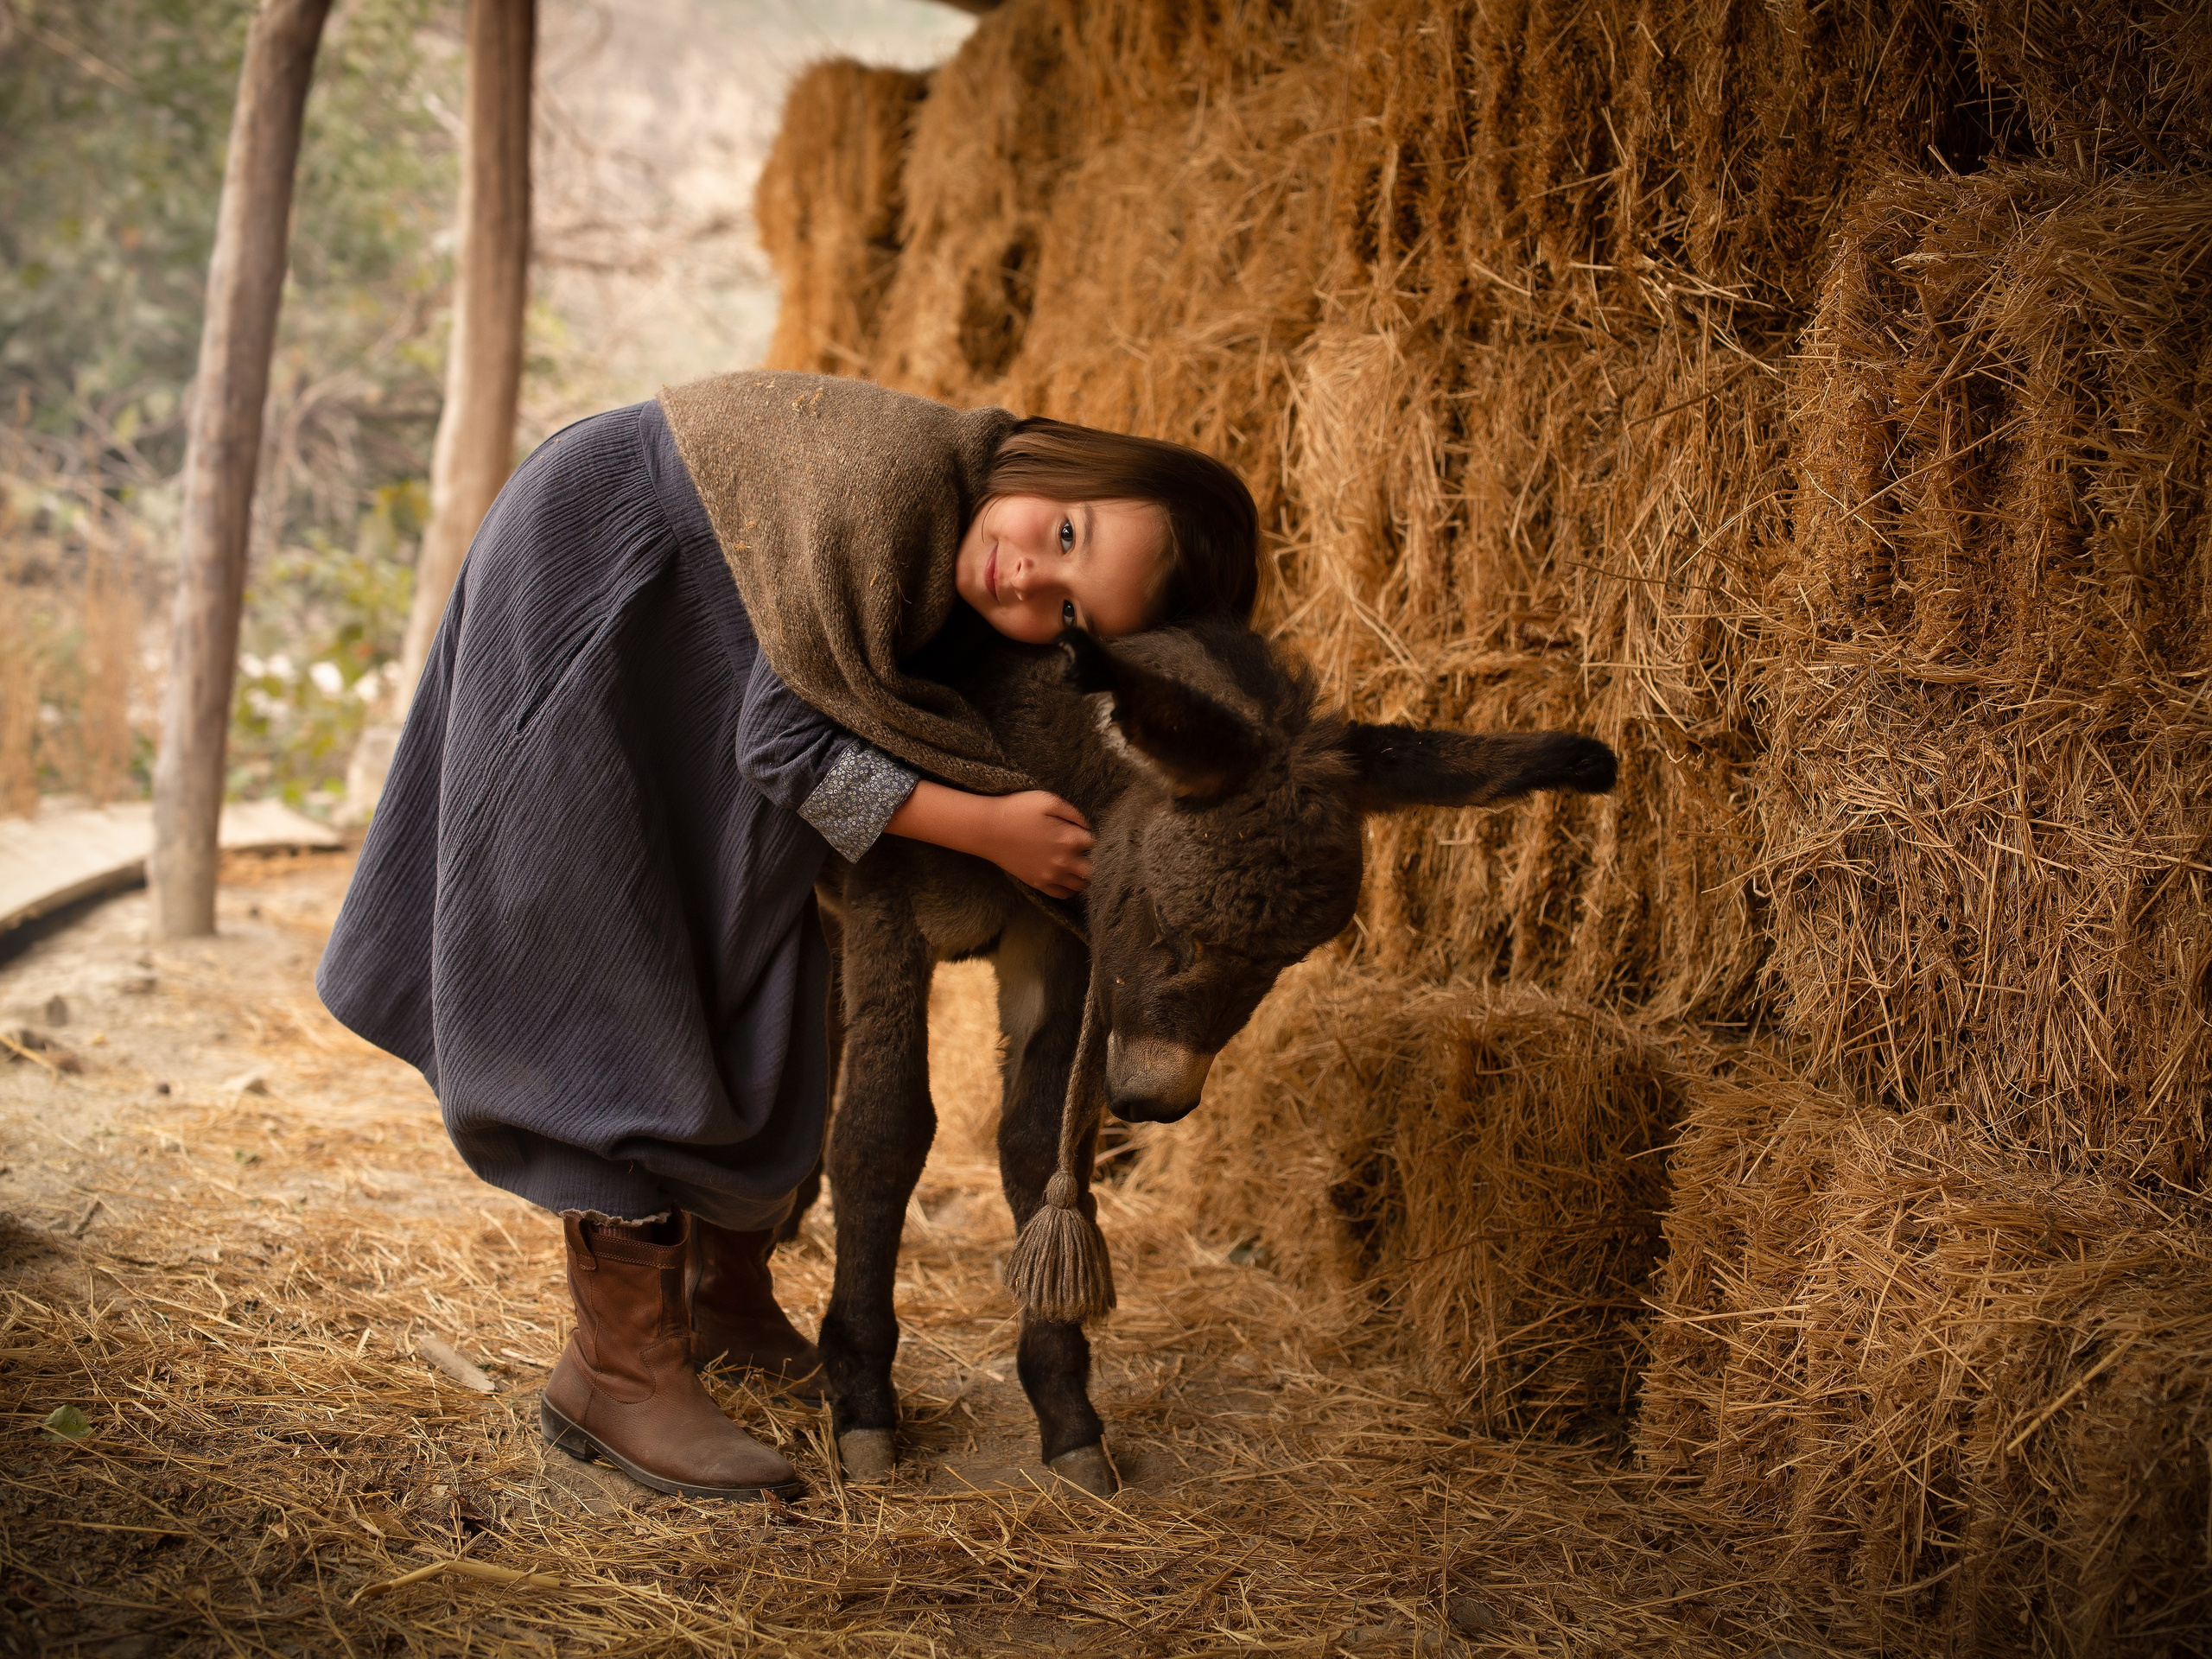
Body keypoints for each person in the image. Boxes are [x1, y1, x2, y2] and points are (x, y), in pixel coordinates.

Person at [317, 375, 1256, 1502]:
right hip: (607, 563)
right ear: (1056, 461)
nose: (1029, 575)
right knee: (608, 932)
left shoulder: (957, 533)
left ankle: (723, 1292)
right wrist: (989, 825)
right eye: (1062, 533)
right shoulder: (901, 491)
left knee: (759, 948)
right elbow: (786, 748)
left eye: (1066, 613)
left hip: (705, 599)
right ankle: (615, 1372)